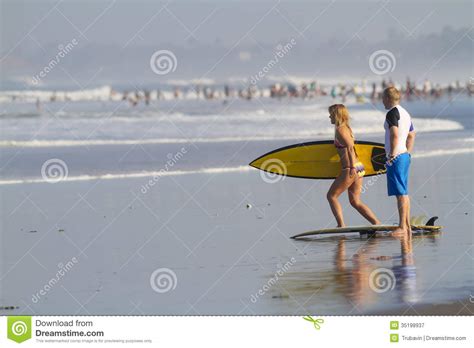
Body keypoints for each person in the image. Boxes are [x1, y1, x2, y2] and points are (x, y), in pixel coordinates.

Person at [327, 104, 381, 227]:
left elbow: (350, 148)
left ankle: (341, 225)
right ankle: (376, 223)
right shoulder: (347, 128)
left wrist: (351, 167)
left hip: (351, 168)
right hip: (359, 167)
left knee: (331, 196)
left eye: (331, 113)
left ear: (337, 115)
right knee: (355, 201)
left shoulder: (341, 130)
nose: (329, 116)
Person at [382, 87, 416, 234]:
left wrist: (392, 154)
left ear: (388, 98)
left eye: (383, 98)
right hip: (404, 156)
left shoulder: (391, 113)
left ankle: (402, 227)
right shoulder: (405, 113)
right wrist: (407, 152)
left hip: (396, 157)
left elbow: (394, 135)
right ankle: (406, 225)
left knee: (400, 193)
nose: (382, 101)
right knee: (403, 192)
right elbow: (412, 134)